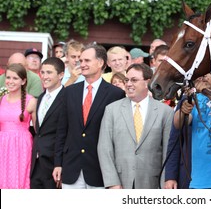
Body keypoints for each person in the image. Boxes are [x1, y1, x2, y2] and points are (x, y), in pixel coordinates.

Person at [53, 43, 125, 189]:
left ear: (100, 63)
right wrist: (58, 163)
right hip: (71, 168)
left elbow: (119, 136)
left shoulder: (115, 94)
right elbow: (62, 130)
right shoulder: (70, 92)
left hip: (100, 171)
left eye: (87, 61)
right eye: (81, 61)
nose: (82, 64)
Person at [98, 63, 173, 189]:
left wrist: (166, 181)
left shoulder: (165, 112)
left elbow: (168, 151)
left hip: (152, 183)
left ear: (147, 83)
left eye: (134, 80)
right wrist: (112, 183)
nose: (128, 84)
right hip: (120, 183)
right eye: (127, 80)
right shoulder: (112, 110)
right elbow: (104, 149)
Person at [169, 74, 211, 189]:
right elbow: (178, 124)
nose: (203, 78)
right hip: (199, 181)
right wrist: (183, 110)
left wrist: (206, 91)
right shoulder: (196, 98)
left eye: (208, 74)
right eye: (202, 75)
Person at [30, 57, 65, 189]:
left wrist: (59, 164)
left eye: (49, 72)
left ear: (61, 75)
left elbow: (66, 134)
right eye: (42, 72)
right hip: (37, 162)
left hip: (55, 165)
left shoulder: (67, 97)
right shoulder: (40, 98)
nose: (44, 76)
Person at [0, 63, 37, 188]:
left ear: (23, 81)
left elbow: (38, 129)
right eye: (8, 77)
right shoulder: (1, 99)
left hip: (21, 146)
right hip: (2, 145)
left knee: (19, 179)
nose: (10, 81)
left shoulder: (30, 101)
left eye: (15, 78)